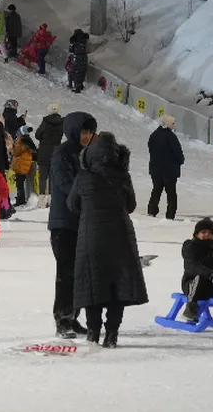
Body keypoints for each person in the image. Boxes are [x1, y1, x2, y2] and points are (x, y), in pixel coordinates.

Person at [68, 131, 148, 348]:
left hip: (91, 235)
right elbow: (130, 205)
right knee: (118, 285)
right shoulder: (123, 176)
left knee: (92, 283)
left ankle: (93, 332)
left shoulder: (84, 176)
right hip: (121, 234)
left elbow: (72, 204)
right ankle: (112, 333)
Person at [49, 112, 94, 339]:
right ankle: (63, 319)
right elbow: (64, 182)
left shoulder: (88, 154)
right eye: (83, 132)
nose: (87, 136)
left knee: (80, 274)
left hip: (82, 222)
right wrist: (86, 196)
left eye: (90, 132)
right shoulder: (62, 153)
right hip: (63, 223)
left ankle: (73, 317)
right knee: (66, 274)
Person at [146, 115, 184, 220]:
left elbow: (150, 149)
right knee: (171, 193)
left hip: (155, 169)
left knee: (156, 190)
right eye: (173, 123)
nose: (174, 125)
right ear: (168, 124)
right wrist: (180, 161)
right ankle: (170, 215)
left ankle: (151, 211)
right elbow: (178, 152)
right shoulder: (171, 137)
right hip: (169, 170)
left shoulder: (154, 135)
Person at [33, 104, 62, 209]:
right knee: (53, 177)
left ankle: (42, 201)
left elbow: (37, 134)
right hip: (56, 152)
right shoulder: (62, 122)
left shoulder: (45, 121)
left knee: (42, 177)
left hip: (44, 152)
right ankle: (51, 199)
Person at [12, 127, 36, 207]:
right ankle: (27, 198)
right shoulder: (28, 141)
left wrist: (13, 146)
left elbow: (16, 152)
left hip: (21, 165)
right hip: (26, 164)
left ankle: (20, 200)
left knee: (19, 183)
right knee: (26, 182)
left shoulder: (22, 140)